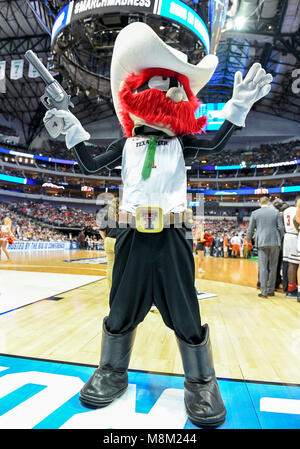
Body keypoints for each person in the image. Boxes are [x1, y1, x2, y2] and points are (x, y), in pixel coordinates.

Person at [43, 22, 272, 428]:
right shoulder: (127, 145)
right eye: (164, 85)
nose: (173, 93)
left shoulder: (182, 143)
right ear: (138, 93)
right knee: (120, 306)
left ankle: (201, 381)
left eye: (176, 86)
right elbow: (92, 163)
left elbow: (216, 142)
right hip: (131, 235)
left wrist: (237, 108)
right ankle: (112, 369)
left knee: (185, 308)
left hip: (172, 235)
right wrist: (72, 130)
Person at [247, 196, 284, 298]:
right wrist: (278, 238)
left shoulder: (255, 213)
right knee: (273, 267)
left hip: (262, 242)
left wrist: (247, 240)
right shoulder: (276, 212)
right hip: (275, 242)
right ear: (269, 203)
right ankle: (271, 290)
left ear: (260, 204)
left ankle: (263, 292)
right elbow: (281, 228)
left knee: (263, 267)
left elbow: (250, 230)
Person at [98, 197, 120, 294]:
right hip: (118, 241)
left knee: (110, 267)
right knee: (120, 267)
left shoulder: (107, 215)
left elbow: (101, 230)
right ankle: (119, 290)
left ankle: (111, 290)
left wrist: (106, 239)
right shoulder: (122, 216)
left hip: (108, 241)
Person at [282, 198, 299, 298]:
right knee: (293, 264)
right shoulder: (297, 210)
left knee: (289, 263)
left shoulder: (286, 210)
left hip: (287, 235)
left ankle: (290, 286)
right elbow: (294, 220)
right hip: (294, 236)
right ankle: (291, 289)